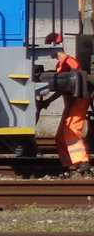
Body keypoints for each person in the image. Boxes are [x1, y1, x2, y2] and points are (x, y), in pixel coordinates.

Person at [42, 33, 91, 175]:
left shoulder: (71, 62)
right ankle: (68, 164)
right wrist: (47, 101)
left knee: (71, 130)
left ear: (53, 46)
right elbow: (62, 87)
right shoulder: (61, 64)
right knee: (60, 136)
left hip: (79, 100)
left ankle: (83, 163)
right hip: (71, 102)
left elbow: (77, 81)